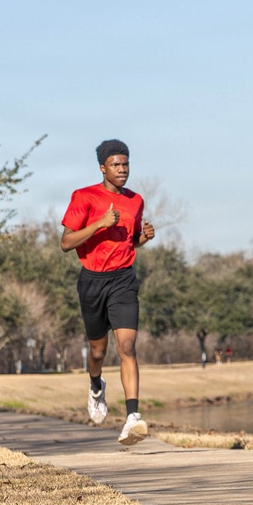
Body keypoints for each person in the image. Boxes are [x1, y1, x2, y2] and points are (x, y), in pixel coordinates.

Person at [60, 139, 155, 446]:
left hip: (123, 280)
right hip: (92, 281)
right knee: (98, 352)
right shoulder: (84, 197)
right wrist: (100, 223)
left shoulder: (135, 200)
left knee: (127, 347)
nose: (122, 170)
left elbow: (129, 241)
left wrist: (143, 238)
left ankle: (133, 417)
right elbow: (66, 242)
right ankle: (95, 385)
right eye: (116, 165)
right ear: (103, 168)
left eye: (125, 164)